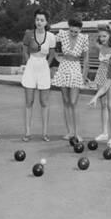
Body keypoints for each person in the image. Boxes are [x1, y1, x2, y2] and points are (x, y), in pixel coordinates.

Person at [20, 9, 56, 142]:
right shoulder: (28, 34)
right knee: (29, 102)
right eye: (37, 20)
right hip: (31, 66)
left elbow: (52, 54)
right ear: (34, 21)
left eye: (42, 20)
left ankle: (45, 133)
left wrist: (46, 65)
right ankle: (28, 133)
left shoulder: (51, 37)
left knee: (44, 102)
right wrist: (28, 61)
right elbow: (24, 49)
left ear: (46, 22)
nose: (39, 22)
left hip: (44, 67)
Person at [52, 17, 89, 142]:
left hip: (75, 69)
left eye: (76, 32)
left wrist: (84, 77)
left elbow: (86, 59)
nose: (73, 33)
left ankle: (77, 133)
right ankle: (70, 132)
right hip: (63, 67)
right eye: (71, 31)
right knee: (66, 101)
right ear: (69, 28)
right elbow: (50, 42)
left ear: (80, 30)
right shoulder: (62, 34)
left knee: (73, 102)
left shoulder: (84, 38)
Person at [92, 24, 111, 143]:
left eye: (104, 36)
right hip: (100, 74)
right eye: (100, 36)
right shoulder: (100, 46)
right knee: (103, 105)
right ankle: (104, 133)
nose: (102, 38)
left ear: (110, 35)